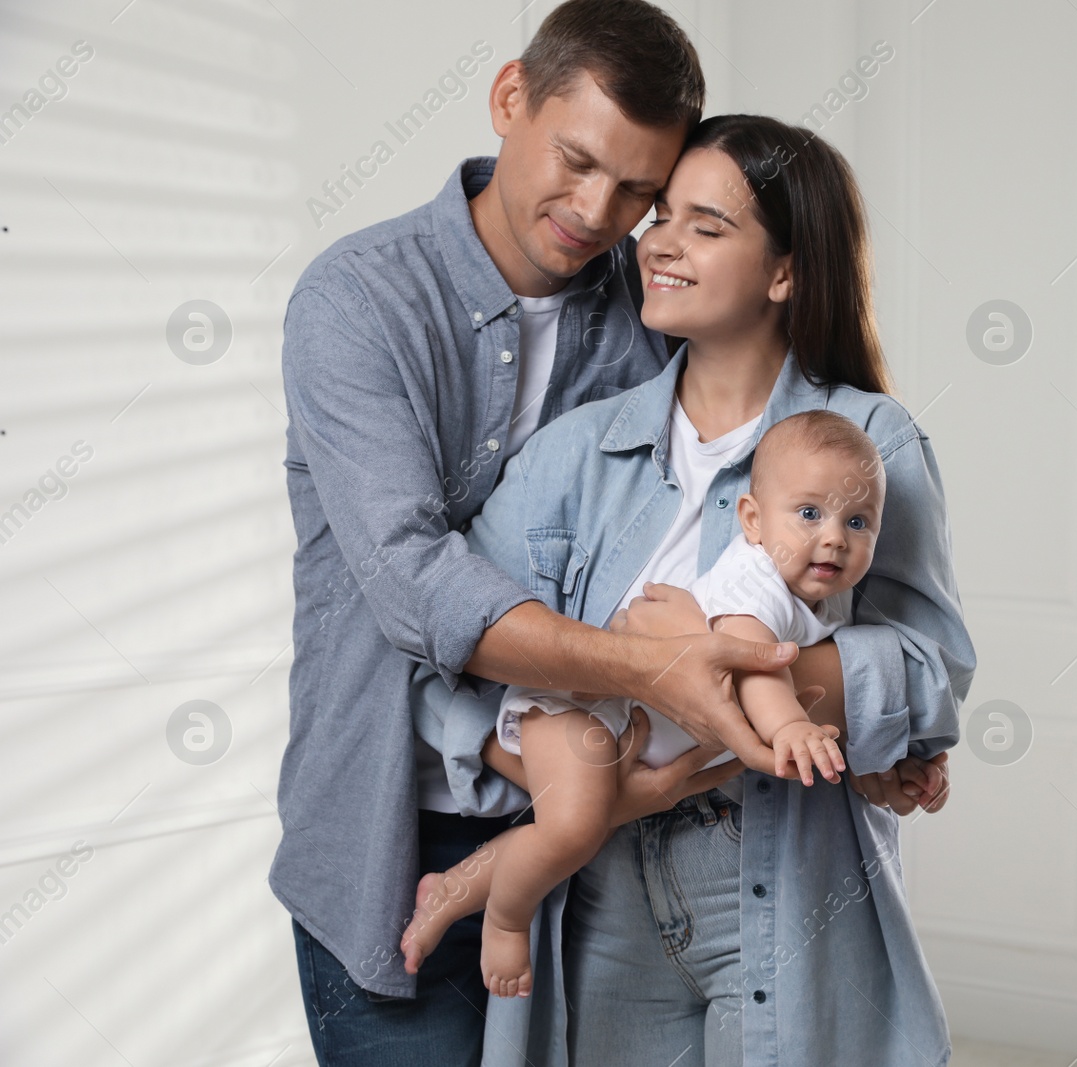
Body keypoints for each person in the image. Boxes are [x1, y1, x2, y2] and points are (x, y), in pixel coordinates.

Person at [274, 4, 803, 1064]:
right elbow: (417, 584)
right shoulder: (357, 299)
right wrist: (663, 667)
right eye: (576, 160)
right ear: (510, 97)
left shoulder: (650, 317)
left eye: (638, 192)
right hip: (392, 832)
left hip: (608, 839)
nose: (598, 210)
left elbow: (754, 502)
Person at [414, 114, 976, 1067]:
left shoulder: (870, 442)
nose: (658, 243)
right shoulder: (570, 453)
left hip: (784, 879)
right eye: (660, 217)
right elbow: (449, 654)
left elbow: (931, 671)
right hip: (600, 890)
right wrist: (577, 783)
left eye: (705, 226)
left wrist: (736, 671)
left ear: (785, 272)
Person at [401, 409, 890, 997]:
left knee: (576, 823)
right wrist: (788, 726)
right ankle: (505, 922)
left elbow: (858, 679)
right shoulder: (756, 578)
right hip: (577, 712)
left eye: (857, 521)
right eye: (809, 513)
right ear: (753, 521)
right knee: (576, 828)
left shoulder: (829, 598)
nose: (834, 536)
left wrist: (895, 762)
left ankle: (453, 890)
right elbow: (754, 661)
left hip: (623, 735)